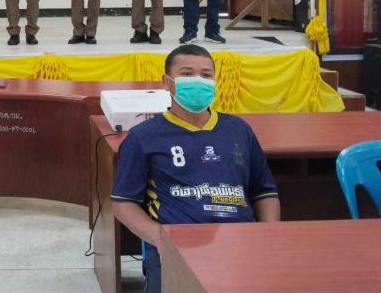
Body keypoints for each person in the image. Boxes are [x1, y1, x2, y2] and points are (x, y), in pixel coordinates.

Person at [111, 44, 280, 293]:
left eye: (206, 75)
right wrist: (162, 240)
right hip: (177, 247)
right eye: (187, 74)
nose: (198, 81)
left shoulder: (238, 129)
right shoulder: (143, 137)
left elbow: (264, 191)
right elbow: (123, 203)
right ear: (167, 82)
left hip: (239, 243)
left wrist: (269, 237)